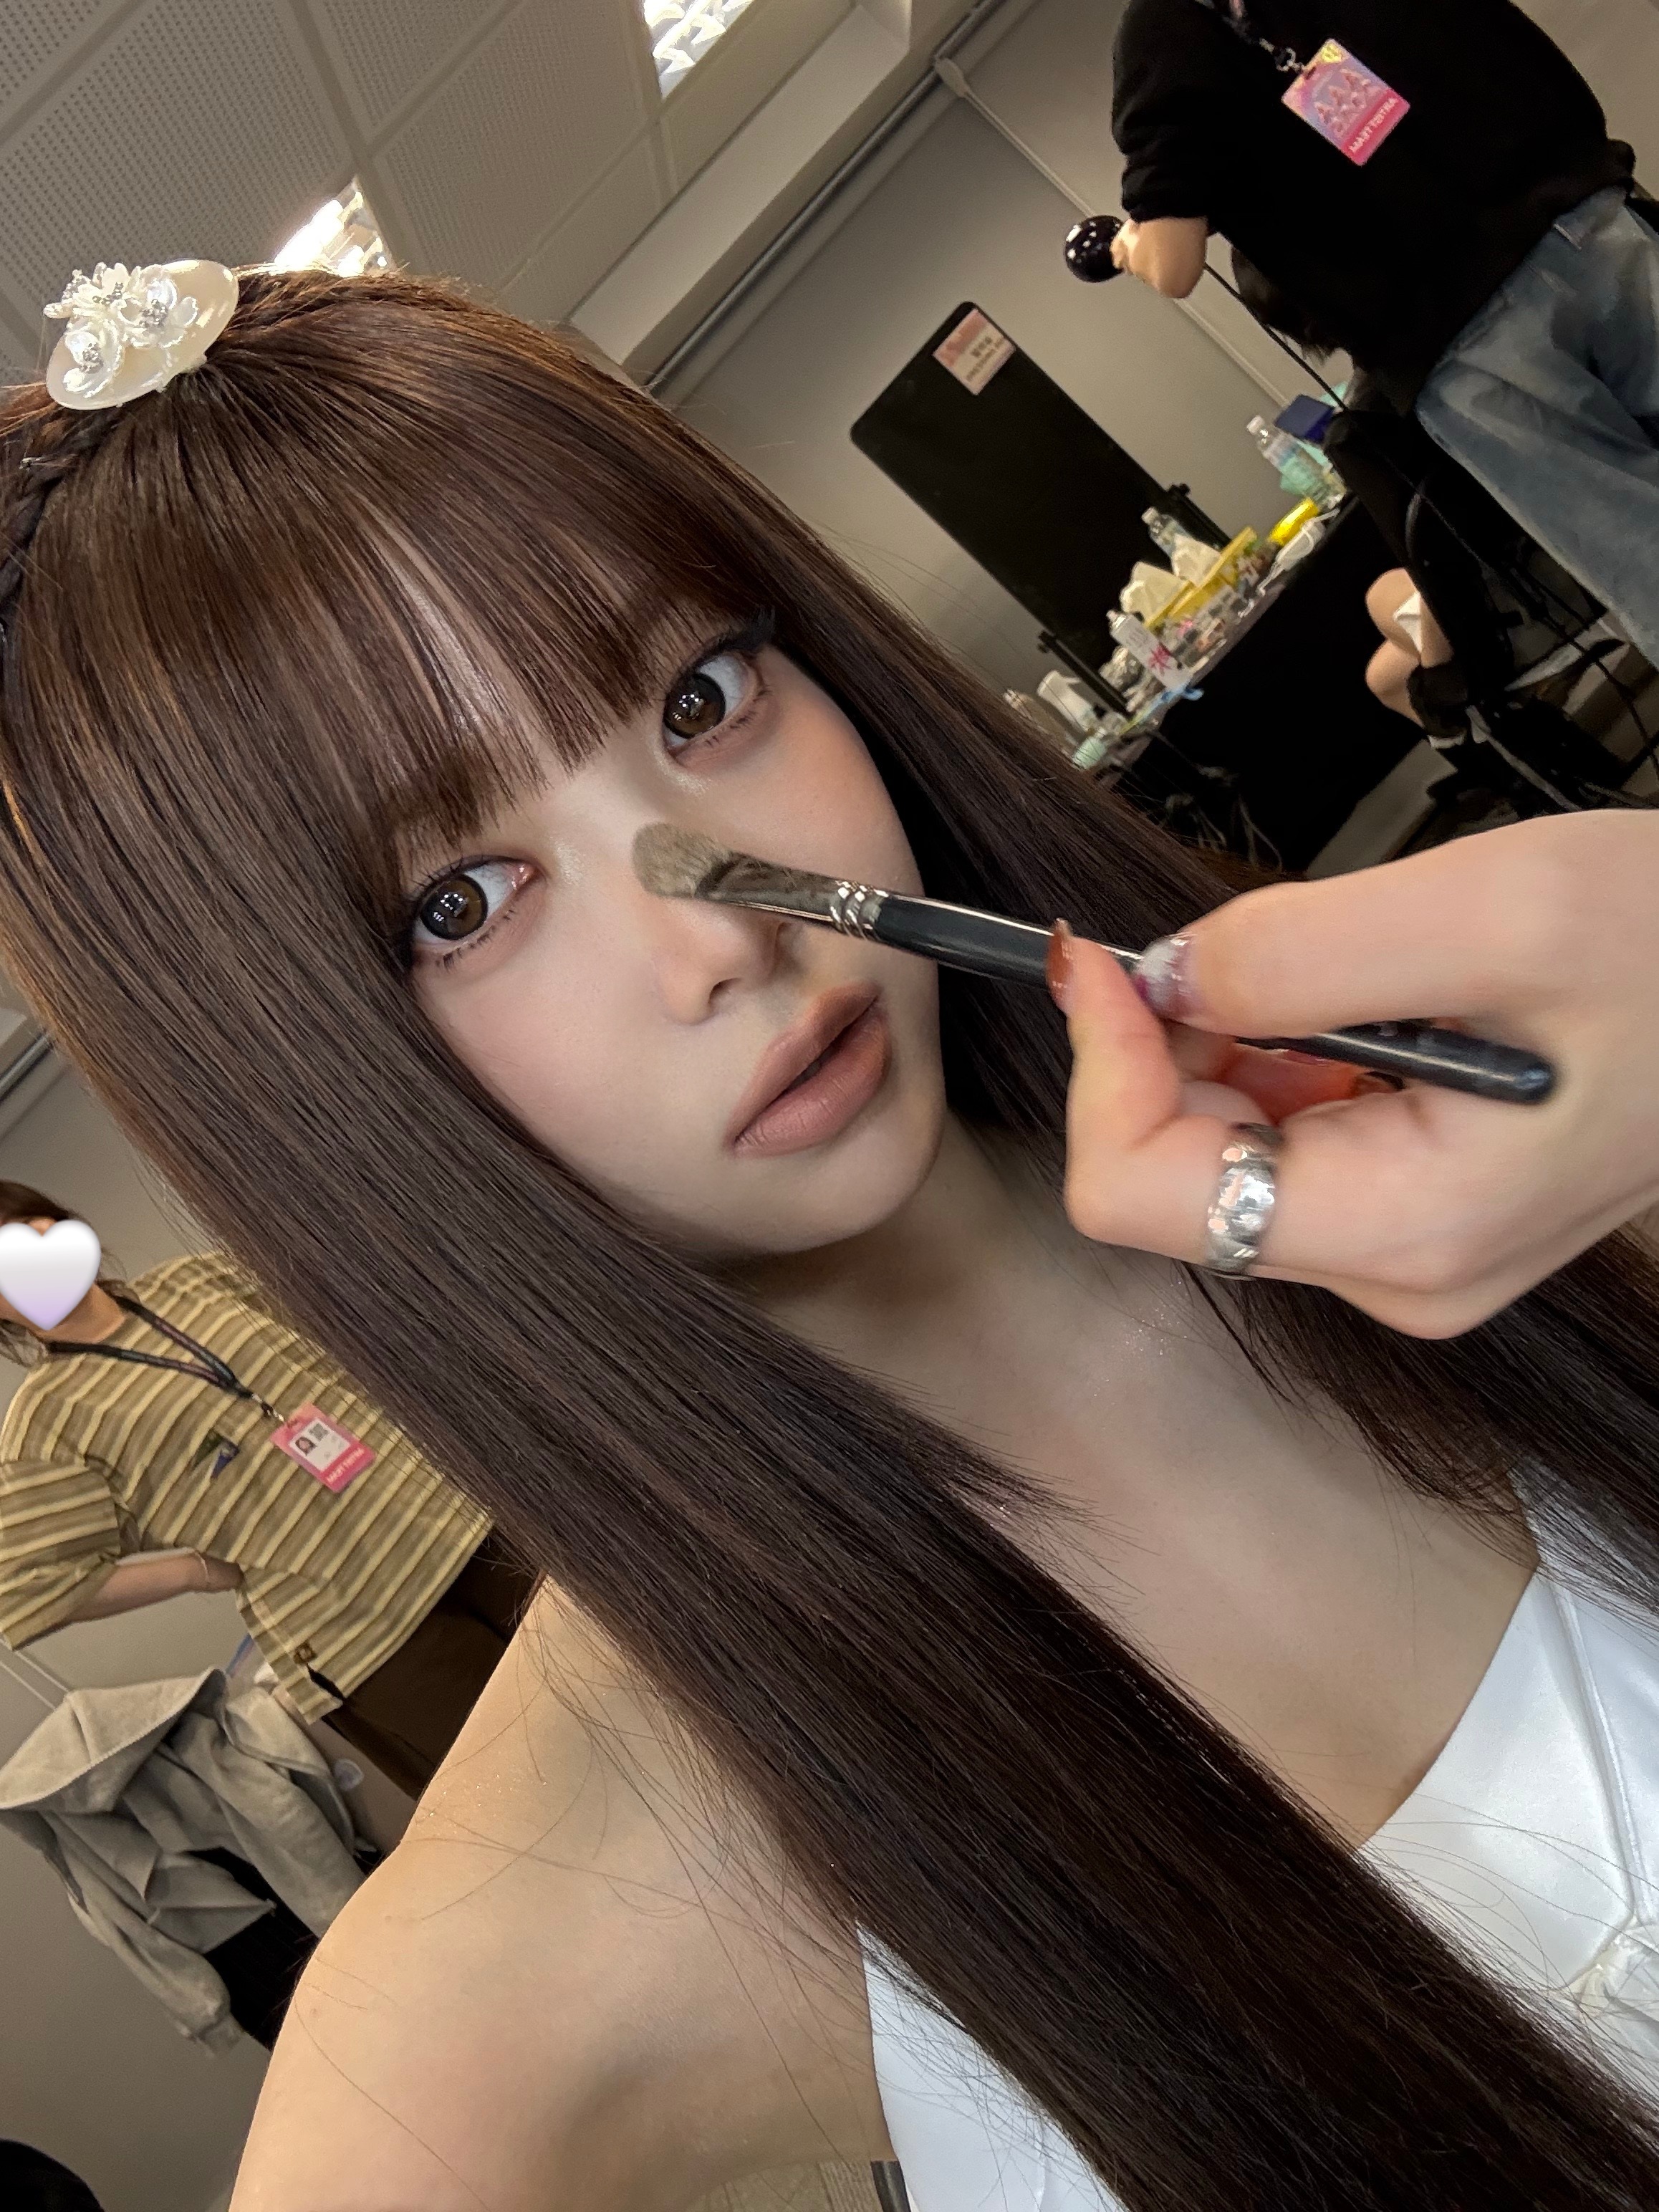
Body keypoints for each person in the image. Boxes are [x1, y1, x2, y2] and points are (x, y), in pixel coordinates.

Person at [6, 268, 1659, 2212]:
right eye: (462, 901)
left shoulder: (1452, 1145)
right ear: (304, 1087)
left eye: (699, 699)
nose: (724, 930)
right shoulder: (562, 1898)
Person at [1108, 0, 1659, 670]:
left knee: (1640, 549)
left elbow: (1173, 264)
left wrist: (1130, 246)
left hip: (1463, 336)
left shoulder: (1165, 27)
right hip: (1595, 228)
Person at [0, 1183, 535, 1800]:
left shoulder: (200, 1281)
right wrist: (197, 1572)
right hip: (367, 1633)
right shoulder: (48, 1423)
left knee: (626, 1690)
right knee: (540, 1796)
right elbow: (27, 1593)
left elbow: (359, 1347)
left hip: (470, 1529)